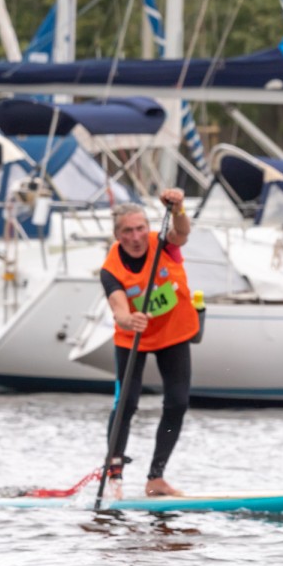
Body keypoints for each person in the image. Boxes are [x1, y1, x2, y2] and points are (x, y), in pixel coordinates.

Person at [100, 188, 197, 499]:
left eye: (141, 228)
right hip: (133, 338)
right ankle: (114, 474)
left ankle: (156, 478)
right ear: (118, 235)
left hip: (173, 332)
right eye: (128, 231)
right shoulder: (111, 270)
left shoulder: (163, 244)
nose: (137, 236)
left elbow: (182, 232)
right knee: (126, 403)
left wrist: (178, 208)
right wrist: (129, 320)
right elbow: (119, 309)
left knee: (178, 402)